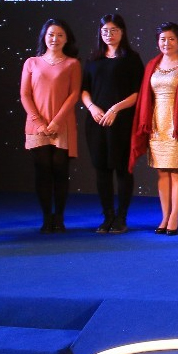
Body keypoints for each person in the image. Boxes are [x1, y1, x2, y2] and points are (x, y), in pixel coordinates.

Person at [80, 13, 144, 233]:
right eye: (105, 30)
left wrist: (116, 108)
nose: (109, 34)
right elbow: (84, 90)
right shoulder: (93, 59)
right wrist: (92, 107)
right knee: (102, 170)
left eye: (114, 30)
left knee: (123, 169)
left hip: (122, 120)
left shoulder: (131, 58)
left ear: (122, 32)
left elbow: (138, 92)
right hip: (97, 121)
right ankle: (107, 216)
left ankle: (121, 218)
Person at [129, 22, 178, 235]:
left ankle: (174, 216)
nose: (167, 43)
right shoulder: (152, 65)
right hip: (156, 123)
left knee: (176, 171)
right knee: (162, 172)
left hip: (177, 124)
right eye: (162, 39)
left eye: (171, 39)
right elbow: (145, 96)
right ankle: (164, 216)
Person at [20, 19, 82, 233]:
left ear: (66, 39)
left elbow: (74, 94)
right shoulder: (31, 62)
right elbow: (25, 94)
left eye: (60, 35)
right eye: (51, 34)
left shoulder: (72, 64)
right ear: (44, 37)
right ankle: (47, 217)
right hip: (36, 125)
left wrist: (56, 122)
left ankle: (59, 217)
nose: (55, 39)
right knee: (42, 171)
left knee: (60, 171)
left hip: (62, 125)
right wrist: (39, 122)